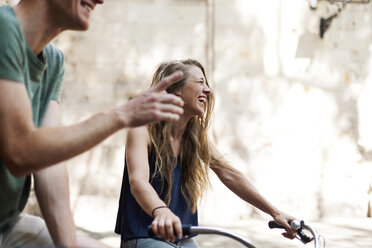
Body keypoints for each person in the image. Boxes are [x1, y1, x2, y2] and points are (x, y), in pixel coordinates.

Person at [0, 0, 185, 247]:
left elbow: (49, 167)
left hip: (7, 223)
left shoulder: (53, 62)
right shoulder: (4, 29)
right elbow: (20, 152)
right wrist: (121, 116)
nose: (101, 0)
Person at [115, 59, 296, 248]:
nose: (208, 90)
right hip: (146, 234)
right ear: (176, 88)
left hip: (182, 237)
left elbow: (229, 174)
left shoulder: (194, 136)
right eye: (200, 82)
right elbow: (138, 182)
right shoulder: (143, 129)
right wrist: (161, 211)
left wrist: (275, 213)